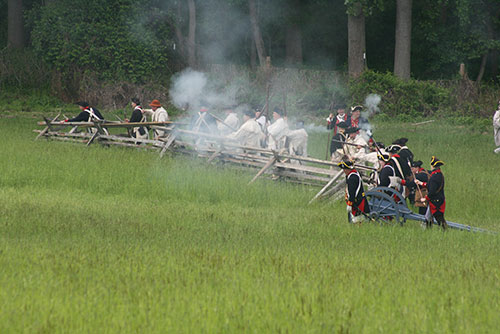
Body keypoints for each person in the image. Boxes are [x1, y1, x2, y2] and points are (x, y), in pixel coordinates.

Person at [415, 156, 447, 229]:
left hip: (436, 201)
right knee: (428, 217)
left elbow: (432, 191)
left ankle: (444, 232)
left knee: (439, 218)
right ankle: (428, 230)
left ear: (432, 166)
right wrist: (420, 183)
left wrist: (425, 198)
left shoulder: (434, 177)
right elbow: (430, 185)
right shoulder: (438, 174)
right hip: (437, 199)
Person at [338, 157, 370, 224]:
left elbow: (352, 192)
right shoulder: (353, 174)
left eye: (345, 169)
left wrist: (350, 203)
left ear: (348, 169)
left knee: (357, 220)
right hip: (358, 199)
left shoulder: (352, 177)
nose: (344, 171)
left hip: (357, 201)